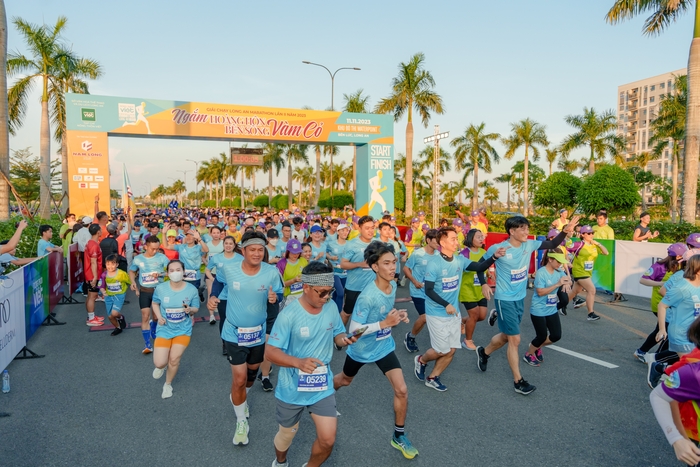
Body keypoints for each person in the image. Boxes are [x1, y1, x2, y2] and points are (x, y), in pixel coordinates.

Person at [266, 261, 359, 467]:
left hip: (321, 385)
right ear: (306, 287)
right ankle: (280, 462)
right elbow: (270, 352)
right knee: (286, 435)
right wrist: (297, 362)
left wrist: (344, 339)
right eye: (322, 292)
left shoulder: (331, 306)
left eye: (330, 291)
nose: (327, 297)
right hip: (292, 387)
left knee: (328, 440)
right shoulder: (288, 315)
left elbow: (337, 333)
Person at [476, 215, 579, 395]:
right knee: (515, 339)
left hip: (519, 298)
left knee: (506, 336)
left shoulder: (529, 245)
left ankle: (484, 353)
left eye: (527, 228)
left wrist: (564, 231)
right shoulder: (498, 248)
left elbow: (552, 243)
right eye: (522, 228)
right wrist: (484, 283)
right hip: (504, 299)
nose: (526, 232)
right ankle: (519, 381)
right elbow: (479, 266)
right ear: (512, 231)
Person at [333, 242, 418, 459]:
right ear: (374, 267)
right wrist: (384, 324)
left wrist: (396, 314)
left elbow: (385, 311)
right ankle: (322, 397)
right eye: (386, 263)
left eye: (394, 262)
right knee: (344, 380)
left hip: (383, 346)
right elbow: (353, 331)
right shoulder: (367, 297)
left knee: (402, 390)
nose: (392, 267)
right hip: (361, 349)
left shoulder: (391, 286)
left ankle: (399, 435)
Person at [206, 231, 283, 447]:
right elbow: (219, 283)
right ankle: (241, 421)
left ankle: (242, 397)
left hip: (257, 333)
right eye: (252, 250)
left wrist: (275, 298)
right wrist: (213, 296)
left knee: (251, 374)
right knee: (239, 379)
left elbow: (279, 293)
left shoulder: (271, 272)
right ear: (243, 250)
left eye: (260, 250)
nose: (257, 253)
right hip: (234, 332)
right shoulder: (230, 269)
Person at [414, 227, 503, 391]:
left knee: (452, 350)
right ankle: (422, 360)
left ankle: (433, 377)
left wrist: (494, 257)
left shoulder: (460, 260)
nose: (457, 242)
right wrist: (445, 304)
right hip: (436, 313)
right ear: (442, 242)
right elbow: (429, 290)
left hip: (453, 313)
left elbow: (479, 267)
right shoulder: (434, 264)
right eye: (453, 239)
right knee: (441, 350)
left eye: (457, 238)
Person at [649, 317, 700, 467]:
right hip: (691, 422)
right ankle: (658, 367)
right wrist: (676, 438)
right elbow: (659, 396)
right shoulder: (694, 371)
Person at [151, 260, 201, 398]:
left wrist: (190, 310)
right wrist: (159, 316)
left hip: (183, 330)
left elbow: (196, 308)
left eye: (178, 270)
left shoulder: (191, 289)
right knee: (159, 363)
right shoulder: (161, 288)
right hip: (164, 329)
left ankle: (167, 384)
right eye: (171, 270)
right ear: (167, 273)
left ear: (183, 272)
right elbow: (155, 303)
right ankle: (161, 366)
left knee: (174, 359)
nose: (175, 273)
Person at [636, 243, 687, 363]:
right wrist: (660, 283)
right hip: (661, 303)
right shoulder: (660, 266)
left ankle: (645, 353)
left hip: (673, 304)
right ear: (678, 256)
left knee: (662, 330)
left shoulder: (682, 266)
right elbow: (643, 280)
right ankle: (656, 358)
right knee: (666, 331)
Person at [522, 251, 571, 367]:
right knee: (542, 336)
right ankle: (529, 354)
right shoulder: (541, 273)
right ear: (550, 260)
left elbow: (568, 279)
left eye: (561, 262)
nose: (560, 264)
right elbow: (540, 292)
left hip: (551, 309)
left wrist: (566, 283)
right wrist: (557, 284)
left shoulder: (559, 271)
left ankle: (536, 346)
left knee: (556, 335)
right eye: (558, 262)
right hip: (538, 309)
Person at [129, 235, 170, 354]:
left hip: (158, 291)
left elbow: (171, 271)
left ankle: (154, 327)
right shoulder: (138, 259)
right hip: (145, 291)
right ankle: (147, 344)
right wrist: (132, 282)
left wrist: (161, 274)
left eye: (157, 248)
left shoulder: (162, 257)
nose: (155, 251)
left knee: (156, 317)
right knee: (145, 316)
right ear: (146, 247)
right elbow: (132, 271)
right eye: (153, 249)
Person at [403, 229, 439, 353]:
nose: (438, 243)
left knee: (434, 317)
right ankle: (410, 337)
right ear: (428, 240)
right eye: (436, 240)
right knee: (424, 317)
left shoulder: (439, 255)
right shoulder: (418, 254)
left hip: (432, 291)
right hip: (418, 290)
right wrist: (414, 281)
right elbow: (406, 268)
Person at [206, 236, 243, 355]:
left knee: (237, 318)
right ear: (223, 245)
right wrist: (213, 280)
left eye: (230, 243)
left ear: (234, 245)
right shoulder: (217, 257)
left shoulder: (240, 258)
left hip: (237, 293)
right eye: (226, 243)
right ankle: (225, 343)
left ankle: (237, 341)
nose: (228, 245)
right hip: (222, 294)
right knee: (224, 319)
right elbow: (207, 269)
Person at [340, 215, 379, 326]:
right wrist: (359, 264)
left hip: (372, 287)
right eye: (367, 228)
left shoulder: (377, 244)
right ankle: (338, 334)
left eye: (372, 228)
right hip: (354, 287)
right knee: (347, 313)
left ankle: (363, 336)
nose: (370, 231)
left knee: (370, 315)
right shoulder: (352, 244)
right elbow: (343, 264)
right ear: (360, 229)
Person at [568, 225, 609, 321]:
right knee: (591, 290)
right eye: (589, 233)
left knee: (575, 291)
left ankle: (559, 305)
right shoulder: (578, 244)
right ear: (582, 235)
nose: (591, 235)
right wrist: (567, 260)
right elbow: (565, 250)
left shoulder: (594, 245)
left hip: (587, 272)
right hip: (579, 271)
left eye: (592, 233)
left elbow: (606, 252)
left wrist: (598, 244)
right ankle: (590, 313)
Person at [458, 229, 490, 351]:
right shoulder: (464, 254)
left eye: (482, 236)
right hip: (467, 289)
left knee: (481, 316)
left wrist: (490, 274)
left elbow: (486, 268)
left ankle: (462, 321)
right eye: (478, 237)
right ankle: (467, 341)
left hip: (480, 289)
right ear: (471, 238)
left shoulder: (484, 252)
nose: (481, 239)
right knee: (474, 315)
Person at [98, 254, 130, 336]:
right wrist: (103, 291)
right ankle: (118, 327)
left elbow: (130, 281)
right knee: (110, 317)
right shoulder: (104, 275)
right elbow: (101, 285)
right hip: (108, 297)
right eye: (108, 264)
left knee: (114, 313)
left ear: (117, 264)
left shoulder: (121, 274)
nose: (110, 266)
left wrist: (134, 287)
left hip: (119, 296)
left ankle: (120, 317)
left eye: (112, 264)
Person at [277, 239, 308, 309]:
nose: (296, 255)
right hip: (288, 297)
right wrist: (293, 281)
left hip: (302, 295)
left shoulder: (303, 261)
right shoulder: (281, 264)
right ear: (288, 251)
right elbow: (279, 285)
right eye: (293, 253)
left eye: (298, 252)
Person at [84, 224, 105, 326]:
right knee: (92, 296)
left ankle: (91, 316)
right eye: (101, 230)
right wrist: (95, 276)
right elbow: (93, 262)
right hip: (92, 274)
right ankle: (91, 319)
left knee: (91, 295)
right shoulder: (93, 245)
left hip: (91, 274)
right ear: (98, 232)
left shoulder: (91, 242)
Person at [326, 222, 349, 314]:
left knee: (337, 294)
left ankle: (331, 310)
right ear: (338, 232)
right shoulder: (331, 244)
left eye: (346, 230)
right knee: (340, 293)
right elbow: (325, 253)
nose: (345, 232)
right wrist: (331, 257)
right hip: (335, 272)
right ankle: (338, 314)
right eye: (342, 230)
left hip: (346, 273)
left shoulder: (350, 244)